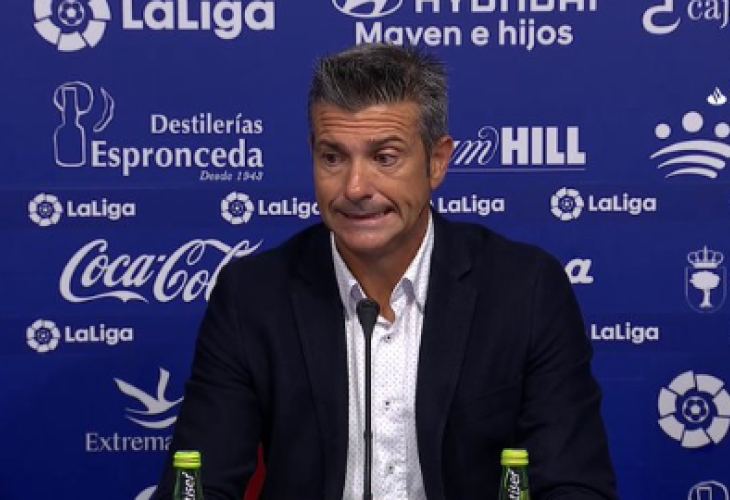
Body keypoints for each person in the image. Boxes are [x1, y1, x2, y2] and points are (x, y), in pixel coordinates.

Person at [154, 44, 617, 500]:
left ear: (437, 161)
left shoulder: (524, 289)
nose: (356, 187)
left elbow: (575, 485)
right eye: (333, 157)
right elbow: (197, 483)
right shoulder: (252, 296)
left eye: (385, 157)